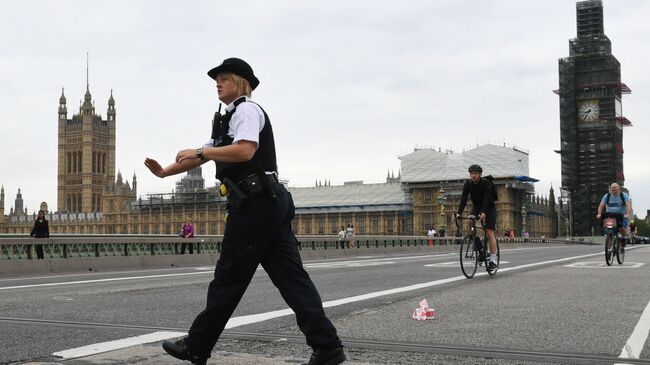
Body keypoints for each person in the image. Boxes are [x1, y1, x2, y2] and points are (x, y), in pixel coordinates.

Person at [146, 58, 344, 365]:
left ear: (241, 83)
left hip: (255, 204)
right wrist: (164, 173)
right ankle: (328, 347)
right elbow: (199, 158)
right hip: (268, 202)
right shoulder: (226, 119)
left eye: (224, 78)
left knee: (228, 279)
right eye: (216, 79)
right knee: (292, 280)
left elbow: (245, 150)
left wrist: (201, 151)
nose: (217, 83)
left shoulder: (247, 110)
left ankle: (198, 345)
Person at [454, 164, 498, 271]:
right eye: (471, 173)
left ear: (480, 174)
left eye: (475, 173)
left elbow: (487, 198)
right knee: (470, 221)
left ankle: (493, 260)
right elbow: (463, 199)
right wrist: (459, 213)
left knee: (489, 233)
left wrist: (483, 212)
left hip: (489, 207)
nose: (473, 175)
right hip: (477, 207)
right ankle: (481, 249)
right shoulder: (468, 184)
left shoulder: (486, 183)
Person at [596, 182, 631, 246]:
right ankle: (609, 247)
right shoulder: (607, 196)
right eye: (611, 187)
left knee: (621, 226)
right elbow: (601, 205)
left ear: (619, 188)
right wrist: (599, 213)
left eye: (615, 187)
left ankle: (623, 237)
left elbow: (628, 206)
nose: (613, 189)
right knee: (607, 228)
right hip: (610, 216)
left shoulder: (624, 196)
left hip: (622, 216)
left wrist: (627, 214)